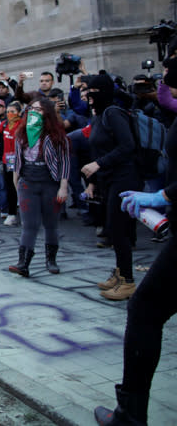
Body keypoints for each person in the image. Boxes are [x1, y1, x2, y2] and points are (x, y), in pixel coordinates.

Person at [93, 55, 177, 425]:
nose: (165, 76)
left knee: (145, 309)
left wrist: (164, 197)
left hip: (135, 185)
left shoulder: (113, 113)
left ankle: (129, 413)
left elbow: (125, 145)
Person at [83, 73, 141, 301]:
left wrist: (99, 164)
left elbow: (127, 145)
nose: (88, 95)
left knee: (119, 229)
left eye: (92, 91)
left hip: (125, 178)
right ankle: (119, 273)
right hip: (110, 179)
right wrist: (93, 181)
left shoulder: (113, 113)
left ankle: (127, 280)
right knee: (114, 229)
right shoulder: (99, 116)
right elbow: (99, 149)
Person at [8, 98, 70, 277]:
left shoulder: (57, 136)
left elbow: (65, 162)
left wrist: (63, 187)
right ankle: (23, 263)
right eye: (32, 109)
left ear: (47, 113)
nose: (35, 112)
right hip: (28, 181)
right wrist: (16, 182)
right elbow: (17, 161)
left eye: (40, 110)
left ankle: (51, 260)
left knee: (51, 224)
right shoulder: (22, 134)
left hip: (50, 182)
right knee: (29, 224)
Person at [0, 101, 23, 226]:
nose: (10, 114)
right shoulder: (5, 124)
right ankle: (12, 214)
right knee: (10, 187)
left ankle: (27, 214)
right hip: (8, 160)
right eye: (8, 112)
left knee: (20, 187)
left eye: (13, 112)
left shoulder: (22, 125)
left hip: (20, 159)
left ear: (19, 113)